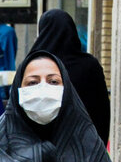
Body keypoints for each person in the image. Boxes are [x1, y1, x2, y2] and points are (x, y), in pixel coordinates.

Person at [29, 9, 110, 145]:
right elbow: (101, 112)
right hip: (83, 147)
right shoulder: (90, 65)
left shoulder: (34, 66)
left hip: (40, 149)